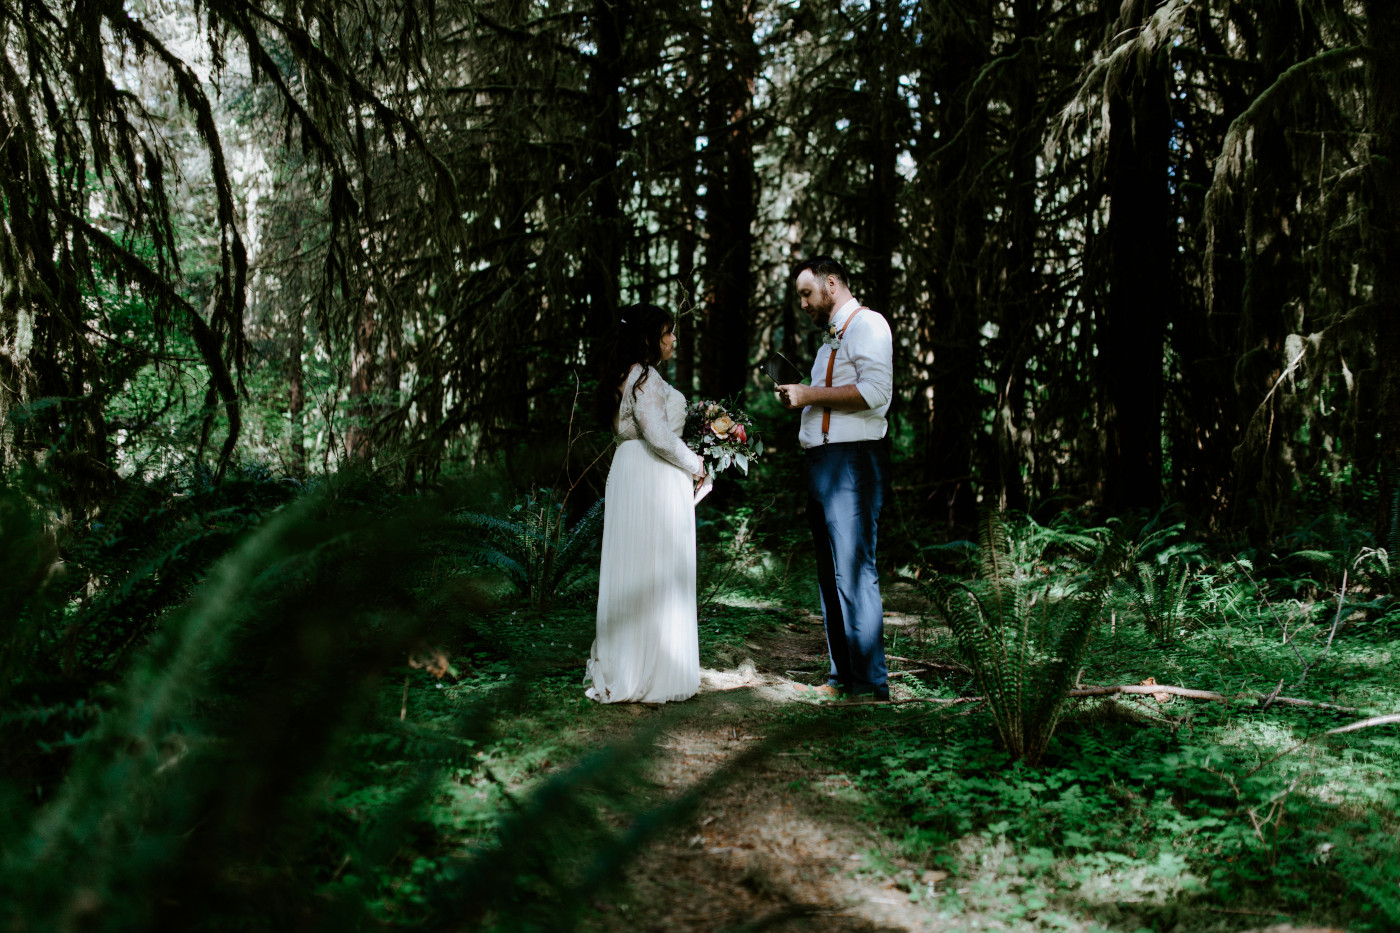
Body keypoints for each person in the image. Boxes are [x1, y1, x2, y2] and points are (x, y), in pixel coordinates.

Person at [776, 257, 894, 701]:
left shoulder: (868, 325)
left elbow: (877, 394)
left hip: (853, 463)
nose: (803, 303)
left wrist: (808, 394)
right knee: (830, 574)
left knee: (855, 572)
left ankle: (870, 687)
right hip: (823, 464)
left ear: (831, 284)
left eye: (807, 293)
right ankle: (842, 677)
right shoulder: (829, 343)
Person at [587, 303, 708, 703]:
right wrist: (697, 464)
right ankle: (651, 672)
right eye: (667, 332)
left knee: (634, 567)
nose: (673, 339)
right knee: (653, 568)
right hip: (650, 475)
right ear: (648, 339)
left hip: (631, 472)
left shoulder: (626, 375)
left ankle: (629, 662)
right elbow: (657, 435)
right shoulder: (645, 377)